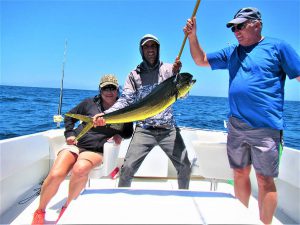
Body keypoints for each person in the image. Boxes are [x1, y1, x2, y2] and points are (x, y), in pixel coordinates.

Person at [184, 7, 300, 225]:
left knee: (265, 180)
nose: (235, 31)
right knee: (239, 173)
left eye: (240, 25)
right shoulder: (231, 52)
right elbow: (201, 60)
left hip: (266, 128)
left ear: (257, 24)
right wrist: (193, 36)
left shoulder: (278, 47)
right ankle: (240, 219)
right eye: (233, 27)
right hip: (236, 126)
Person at [31, 74, 133, 225]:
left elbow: (128, 132)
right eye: (105, 88)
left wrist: (119, 134)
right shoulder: (88, 103)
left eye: (112, 87)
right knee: (56, 174)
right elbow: (69, 117)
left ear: (118, 89)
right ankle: (40, 210)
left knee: (80, 168)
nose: (109, 91)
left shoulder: (124, 108)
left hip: (96, 150)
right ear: (100, 89)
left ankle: (68, 208)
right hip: (76, 143)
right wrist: (69, 134)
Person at [93, 34, 191, 189]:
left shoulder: (169, 69)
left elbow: (183, 95)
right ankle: (121, 198)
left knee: (185, 166)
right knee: (128, 169)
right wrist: (106, 115)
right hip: (144, 130)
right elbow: (125, 100)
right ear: (141, 50)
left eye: (153, 46)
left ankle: (184, 198)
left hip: (168, 129)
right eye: (146, 46)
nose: (150, 49)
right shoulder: (134, 75)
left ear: (158, 49)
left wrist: (177, 74)